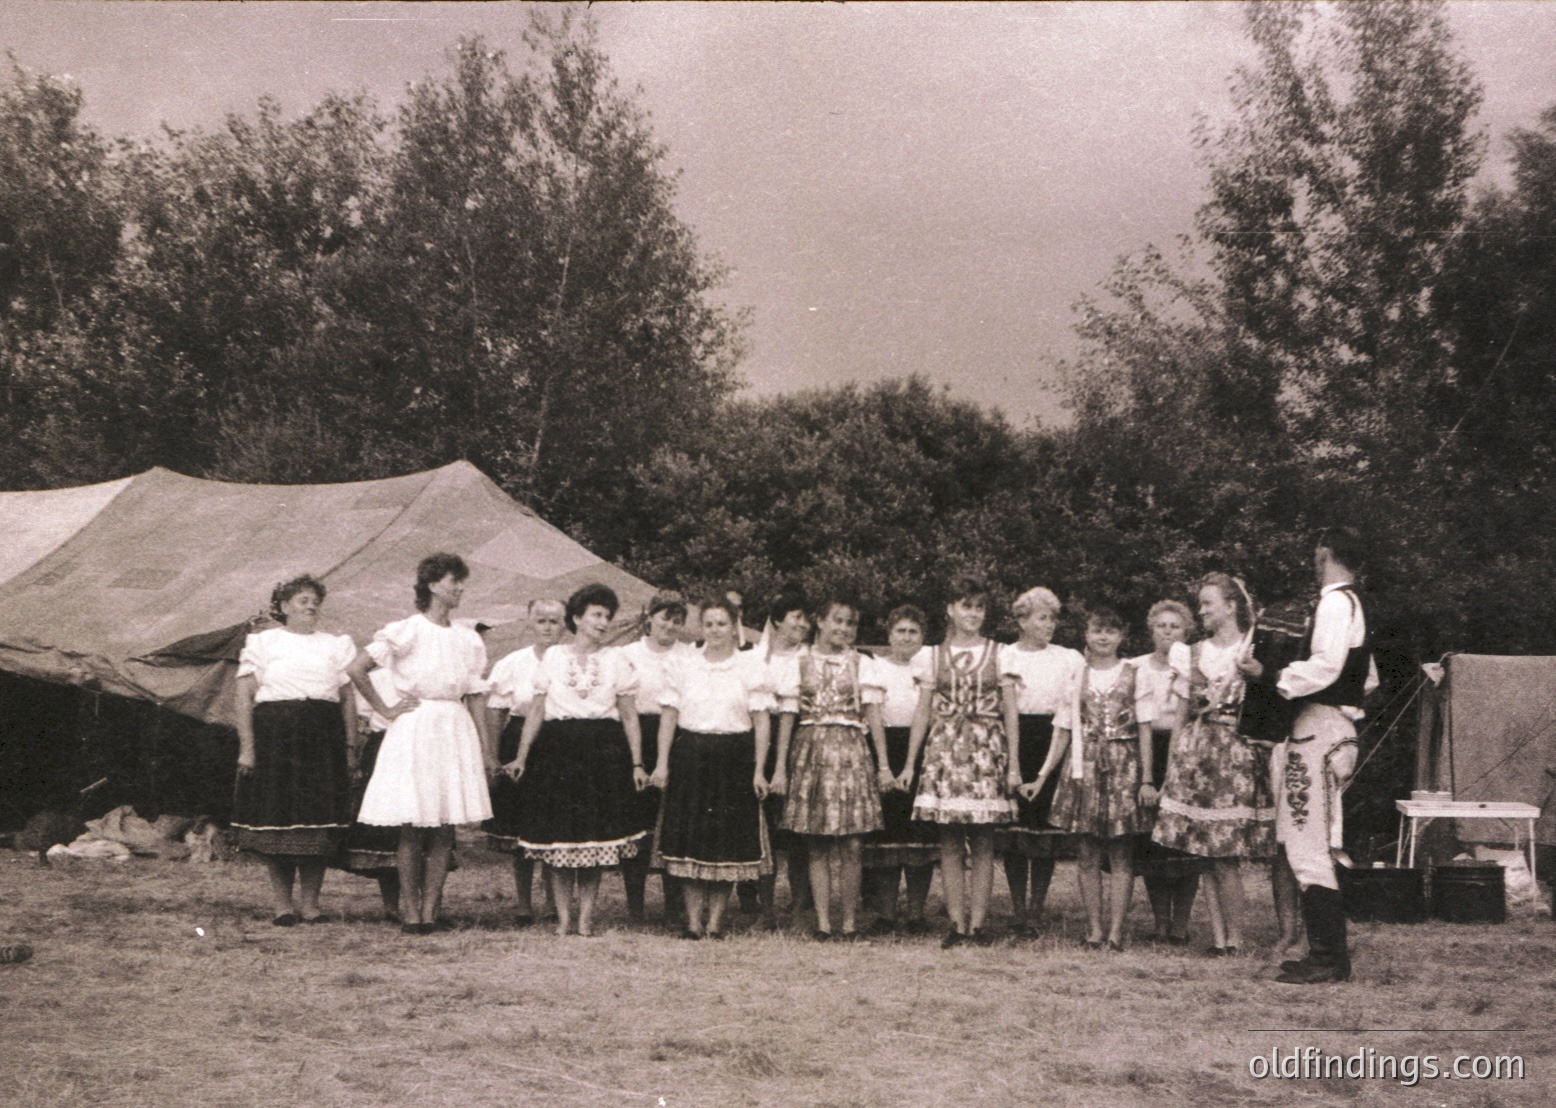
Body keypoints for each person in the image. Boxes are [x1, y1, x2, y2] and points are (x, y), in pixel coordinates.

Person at [1246, 527, 1376, 985]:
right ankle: (1326, 953)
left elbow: (1326, 666)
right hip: (1331, 727)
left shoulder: (1336, 602)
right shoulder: (1354, 603)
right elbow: (1368, 679)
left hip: (1316, 731)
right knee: (1309, 841)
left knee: (1305, 843)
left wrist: (1270, 675)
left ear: (1325, 552)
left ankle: (1328, 958)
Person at [349, 554, 494, 935]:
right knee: (413, 824)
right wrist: (386, 708)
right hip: (415, 727)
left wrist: (485, 746)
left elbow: (476, 694)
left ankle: (431, 910)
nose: (460, 588)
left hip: (453, 726)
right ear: (431, 585)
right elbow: (356, 669)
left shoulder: (467, 637)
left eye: (462, 581)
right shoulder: (407, 629)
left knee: (445, 827)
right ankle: (410, 912)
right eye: (453, 581)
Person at [505, 583, 649, 937]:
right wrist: (522, 756)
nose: (603, 622)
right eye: (596, 615)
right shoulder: (553, 657)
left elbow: (629, 716)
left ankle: (585, 918)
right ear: (577, 618)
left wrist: (636, 763)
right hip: (558, 751)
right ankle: (564, 918)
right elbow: (537, 711)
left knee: (593, 842)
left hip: (603, 751)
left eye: (607, 617)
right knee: (559, 841)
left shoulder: (617, 660)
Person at [1150, 573, 1274, 956]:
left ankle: (1235, 937)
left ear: (1231, 606)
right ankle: (1219, 938)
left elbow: (1269, 706)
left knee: (1226, 855)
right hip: (1198, 755)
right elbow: (1182, 716)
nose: (1201, 610)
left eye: (1207, 603)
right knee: (1205, 853)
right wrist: (1172, 766)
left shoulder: (1253, 648)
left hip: (1235, 755)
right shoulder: (1190, 653)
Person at [232, 575, 357, 925]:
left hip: (323, 738)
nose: (311, 606)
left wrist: (350, 745)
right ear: (284, 606)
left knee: (317, 825)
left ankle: (312, 905)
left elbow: (348, 700)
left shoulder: (336, 644)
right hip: (277, 738)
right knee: (278, 822)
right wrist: (248, 748)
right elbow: (243, 698)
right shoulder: (262, 642)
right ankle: (282, 905)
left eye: (315, 600)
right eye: (303, 600)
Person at [904, 576, 1020, 948]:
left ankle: (979, 924)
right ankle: (956, 922)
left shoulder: (1002, 654)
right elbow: (922, 712)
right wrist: (910, 763)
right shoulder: (931, 655)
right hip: (946, 751)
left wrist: (1014, 764)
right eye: (966, 606)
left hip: (986, 749)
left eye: (980, 607)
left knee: (984, 838)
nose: (973, 613)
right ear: (950, 610)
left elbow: (1011, 713)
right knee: (950, 840)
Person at [651, 597, 775, 939]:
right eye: (709, 624)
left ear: (734, 626)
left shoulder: (750, 666)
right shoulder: (684, 664)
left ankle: (716, 922)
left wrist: (759, 770)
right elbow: (669, 717)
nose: (715, 630)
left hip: (735, 757)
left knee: (726, 844)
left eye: (722, 623)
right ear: (701, 627)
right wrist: (661, 764)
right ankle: (693, 922)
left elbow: (762, 722)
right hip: (691, 755)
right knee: (692, 841)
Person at [772, 596, 893, 940]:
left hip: (852, 751)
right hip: (811, 751)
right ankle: (823, 922)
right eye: (837, 621)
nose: (843, 629)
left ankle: (850, 921)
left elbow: (873, 715)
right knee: (818, 842)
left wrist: (883, 765)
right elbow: (787, 718)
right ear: (820, 622)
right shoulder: (798, 662)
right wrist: (780, 768)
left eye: (850, 623)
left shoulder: (862, 664)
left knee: (852, 843)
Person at [1031, 606, 1151, 950]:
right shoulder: (1076, 676)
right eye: (1097, 630)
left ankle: (1116, 931)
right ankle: (1094, 930)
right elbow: (1063, 730)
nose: (1103, 637)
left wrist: (1145, 778)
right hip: (1083, 768)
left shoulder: (1134, 673)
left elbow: (1144, 730)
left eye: (1111, 631)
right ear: (1087, 635)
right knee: (1087, 853)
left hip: (1123, 766)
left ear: (1121, 636)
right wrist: (1043, 776)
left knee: (1121, 853)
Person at [997, 587, 1085, 936]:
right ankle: (1017, 909)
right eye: (1041, 618)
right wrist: (1012, 762)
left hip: (1054, 742)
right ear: (1021, 620)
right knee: (1015, 834)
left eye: (1052, 618)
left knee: (1044, 833)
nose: (1049, 625)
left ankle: (1036, 908)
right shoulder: (1006, 656)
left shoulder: (1069, 657)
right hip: (1016, 740)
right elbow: (1006, 711)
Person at [485, 598, 568, 926]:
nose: (548, 627)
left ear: (565, 624)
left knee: (552, 823)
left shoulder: (570, 660)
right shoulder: (512, 663)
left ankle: (552, 900)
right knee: (520, 828)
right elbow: (495, 711)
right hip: (518, 741)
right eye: (541, 621)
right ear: (530, 623)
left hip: (557, 742)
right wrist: (492, 755)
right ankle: (523, 902)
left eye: (554, 621)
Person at [619, 593, 696, 925]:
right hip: (635, 736)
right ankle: (635, 905)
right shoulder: (626, 654)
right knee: (636, 824)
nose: (670, 626)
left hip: (677, 738)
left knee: (673, 822)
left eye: (678, 620)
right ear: (648, 616)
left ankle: (673, 906)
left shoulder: (690, 655)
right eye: (664, 617)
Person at [861, 605, 938, 935]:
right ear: (889, 635)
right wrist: (883, 766)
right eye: (900, 631)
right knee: (887, 837)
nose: (906, 638)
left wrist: (911, 763)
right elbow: (874, 716)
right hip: (883, 747)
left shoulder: (930, 667)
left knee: (919, 836)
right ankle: (886, 914)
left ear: (922, 636)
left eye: (913, 632)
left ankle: (917, 914)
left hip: (922, 751)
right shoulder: (875, 667)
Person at [1131, 600, 1201, 945]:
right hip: (1146, 752)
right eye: (1162, 626)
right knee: (1152, 840)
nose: (1168, 632)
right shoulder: (1135, 667)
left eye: (1175, 626)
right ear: (1151, 630)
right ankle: (1160, 923)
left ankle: (1181, 925)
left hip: (1187, 752)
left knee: (1185, 841)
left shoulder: (1196, 665)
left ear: (1186, 632)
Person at [744, 590, 812, 925]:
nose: (803, 624)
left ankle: (800, 905)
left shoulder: (809, 657)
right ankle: (765, 907)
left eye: (805, 618)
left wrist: (783, 765)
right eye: (796, 617)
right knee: (763, 830)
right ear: (777, 620)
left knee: (799, 830)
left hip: (801, 744)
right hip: (758, 743)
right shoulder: (754, 658)